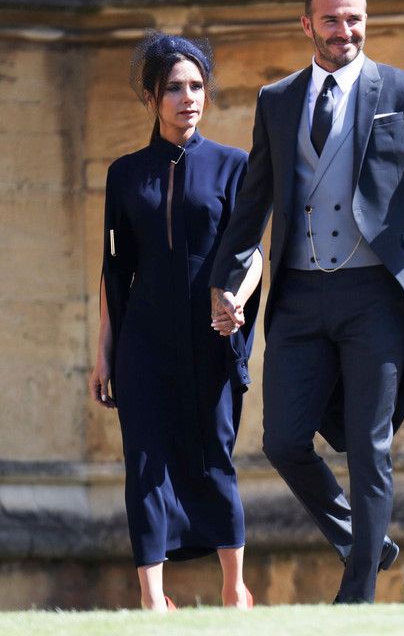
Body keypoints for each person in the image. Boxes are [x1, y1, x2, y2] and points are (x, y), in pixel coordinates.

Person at [208, 0, 404, 604]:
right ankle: (364, 541)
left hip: (375, 296)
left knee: (370, 447)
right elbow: (253, 201)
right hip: (297, 296)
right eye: (333, 20)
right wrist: (226, 282)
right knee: (284, 441)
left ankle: (359, 593)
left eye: (355, 18)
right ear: (307, 25)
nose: (346, 30)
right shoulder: (276, 99)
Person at [88, 33, 262, 611]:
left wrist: (236, 299)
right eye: (174, 89)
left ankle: (234, 587)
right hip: (144, 339)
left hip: (212, 334)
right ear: (151, 98)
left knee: (215, 450)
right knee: (144, 459)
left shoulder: (235, 165)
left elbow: (252, 253)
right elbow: (115, 271)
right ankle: (152, 599)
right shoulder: (124, 174)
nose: (188, 98)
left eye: (197, 86)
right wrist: (104, 353)